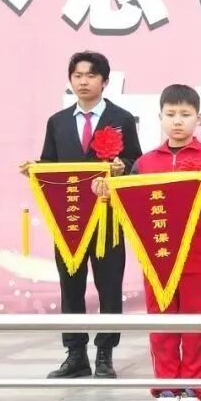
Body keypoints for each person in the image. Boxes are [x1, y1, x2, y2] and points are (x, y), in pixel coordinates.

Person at [94, 84, 201, 401]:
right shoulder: (145, 163)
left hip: (197, 258)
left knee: (197, 328)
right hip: (156, 259)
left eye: (185, 114)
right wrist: (105, 193)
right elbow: (128, 208)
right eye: (171, 114)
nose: (177, 121)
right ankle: (167, 394)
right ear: (159, 117)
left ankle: (194, 394)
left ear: (198, 118)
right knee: (162, 328)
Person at [20, 51, 142, 380]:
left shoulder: (121, 118)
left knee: (109, 286)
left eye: (90, 75)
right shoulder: (57, 122)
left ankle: (105, 354)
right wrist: (34, 169)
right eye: (77, 75)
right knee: (70, 286)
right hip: (69, 219)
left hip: (106, 218)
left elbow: (137, 162)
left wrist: (123, 166)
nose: (83, 81)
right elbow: (50, 164)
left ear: (105, 81)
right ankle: (75, 354)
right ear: (70, 80)